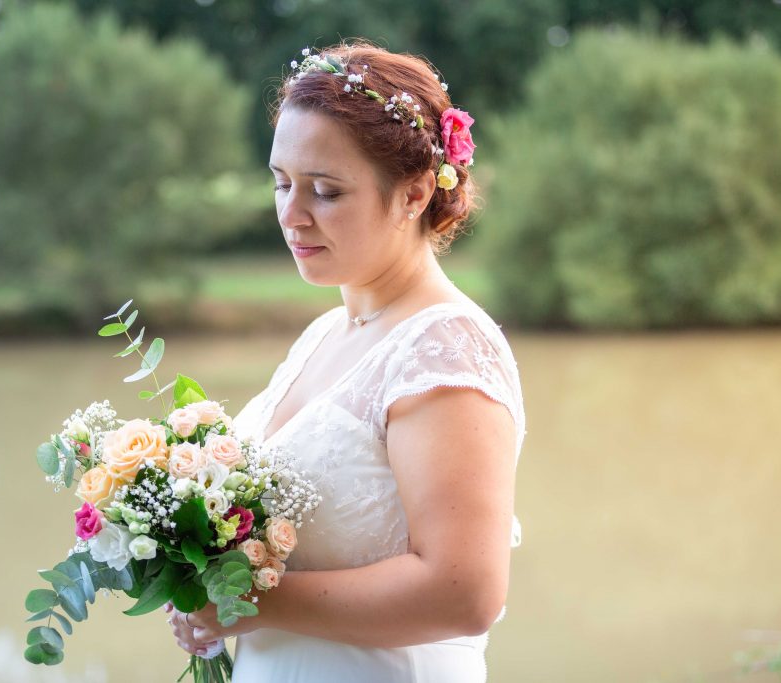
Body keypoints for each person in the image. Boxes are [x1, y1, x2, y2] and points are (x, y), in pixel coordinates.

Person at [168, 40, 526, 682]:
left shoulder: (443, 348)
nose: (291, 214)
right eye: (281, 182)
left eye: (326, 192)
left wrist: (248, 602)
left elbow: (464, 592)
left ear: (414, 194)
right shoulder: (326, 333)